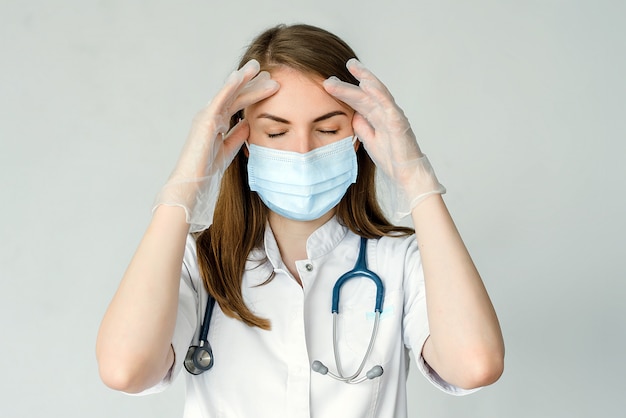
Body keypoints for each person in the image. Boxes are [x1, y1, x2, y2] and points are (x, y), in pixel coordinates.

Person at [96, 23, 504, 417]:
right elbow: (126, 370)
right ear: (245, 141)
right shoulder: (196, 262)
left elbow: (474, 365)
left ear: (358, 137)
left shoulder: (402, 262)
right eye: (276, 133)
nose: (303, 151)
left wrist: (417, 181)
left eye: (327, 129)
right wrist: (182, 190)